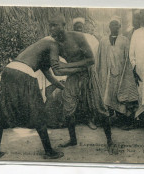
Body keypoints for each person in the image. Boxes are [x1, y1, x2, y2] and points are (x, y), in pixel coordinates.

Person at [0, 23, 88, 160]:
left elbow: (50, 76)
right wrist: (79, 68)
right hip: (23, 73)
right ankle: (49, 152)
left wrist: (66, 89)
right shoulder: (53, 42)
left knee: (3, 110)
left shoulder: (42, 47)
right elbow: (57, 70)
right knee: (38, 112)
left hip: (9, 70)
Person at [48, 14, 112, 149]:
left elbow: (91, 60)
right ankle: (73, 140)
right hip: (74, 76)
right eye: (50, 25)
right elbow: (57, 69)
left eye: (55, 25)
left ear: (63, 26)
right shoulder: (54, 44)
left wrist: (67, 65)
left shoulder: (77, 36)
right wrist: (67, 67)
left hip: (88, 74)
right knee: (68, 107)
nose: (51, 28)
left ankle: (110, 142)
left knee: (99, 108)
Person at [97, 16, 131, 121]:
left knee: (119, 94)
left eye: (116, 24)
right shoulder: (103, 41)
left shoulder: (124, 40)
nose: (114, 26)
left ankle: (121, 118)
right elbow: (98, 57)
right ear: (109, 26)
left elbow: (128, 58)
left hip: (120, 73)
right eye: (112, 24)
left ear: (120, 26)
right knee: (107, 94)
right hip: (106, 72)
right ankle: (108, 116)